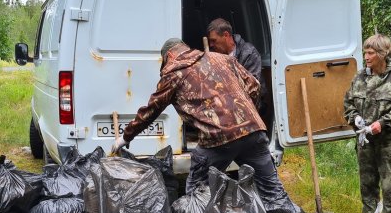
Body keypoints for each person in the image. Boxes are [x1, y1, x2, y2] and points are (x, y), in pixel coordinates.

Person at [111, 38, 287, 202]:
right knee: (272, 190)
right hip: (253, 130)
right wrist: (245, 115)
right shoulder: (222, 58)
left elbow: (152, 109)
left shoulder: (174, 74)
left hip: (219, 138)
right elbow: (254, 86)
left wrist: (126, 137)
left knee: (197, 193)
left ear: (170, 55)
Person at [343, 34, 391, 213]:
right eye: (365, 52)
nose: (366, 57)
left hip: (388, 143)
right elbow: (348, 103)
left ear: (382, 54)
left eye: (370, 53)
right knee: (367, 184)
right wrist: (355, 117)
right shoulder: (360, 77)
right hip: (365, 142)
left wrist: (381, 124)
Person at [206, 18, 266, 109]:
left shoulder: (249, 53)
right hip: (224, 104)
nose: (211, 45)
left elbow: (252, 89)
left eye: (214, 40)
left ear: (226, 35)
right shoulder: (212, 54)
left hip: (250, 105)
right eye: (210, 41)